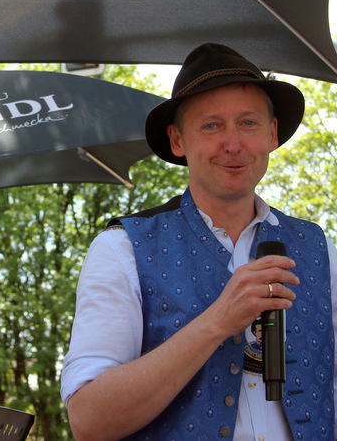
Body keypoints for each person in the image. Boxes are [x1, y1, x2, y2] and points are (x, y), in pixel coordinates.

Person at [61, 43, 336, 440]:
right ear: (177, 140)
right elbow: (89, 420)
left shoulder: (319, 249)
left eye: (248, 123)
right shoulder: (122, 249)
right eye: (211, 126)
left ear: (272, 134)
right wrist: (216, 321)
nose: (233, 144)